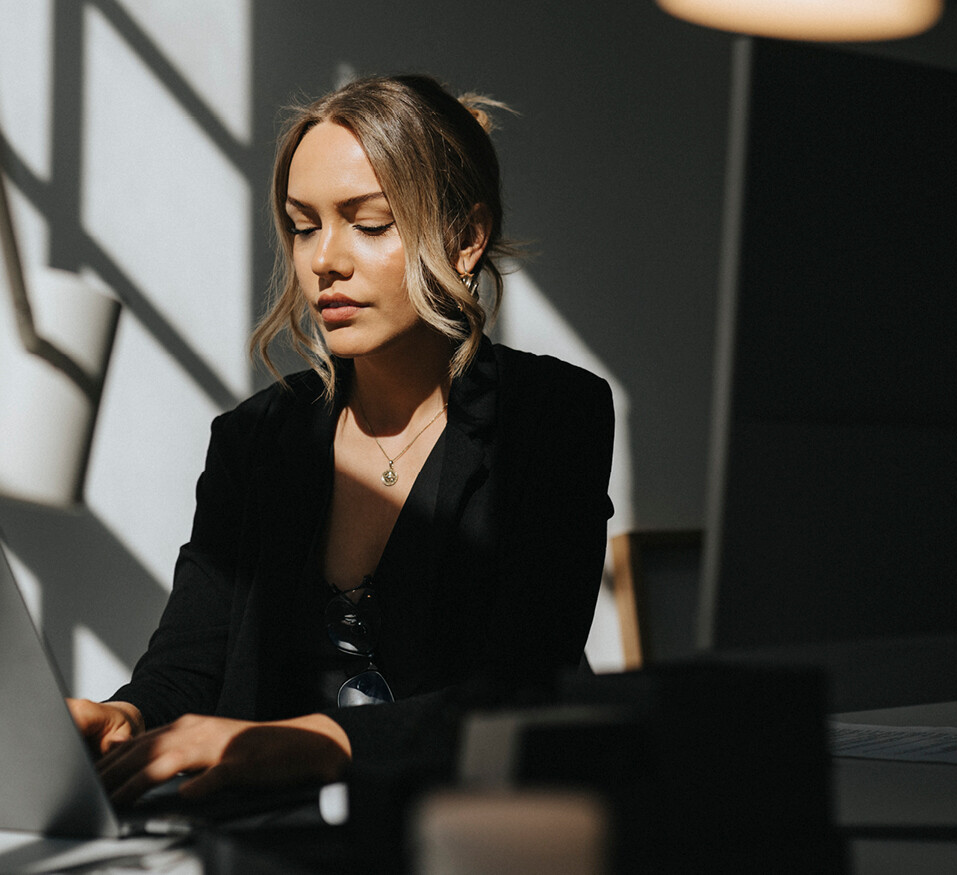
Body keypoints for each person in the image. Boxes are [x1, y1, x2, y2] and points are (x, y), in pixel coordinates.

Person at [67, 74, 614, 805]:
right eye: (303, 224)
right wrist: (124, 713)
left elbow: (523, 687)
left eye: (369, 222)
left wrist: (322, 741)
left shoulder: (550, 416)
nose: (324, 259)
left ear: (465, 238)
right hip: (266, 844)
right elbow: (188, 664)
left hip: (474, 834)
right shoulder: (253, 440)